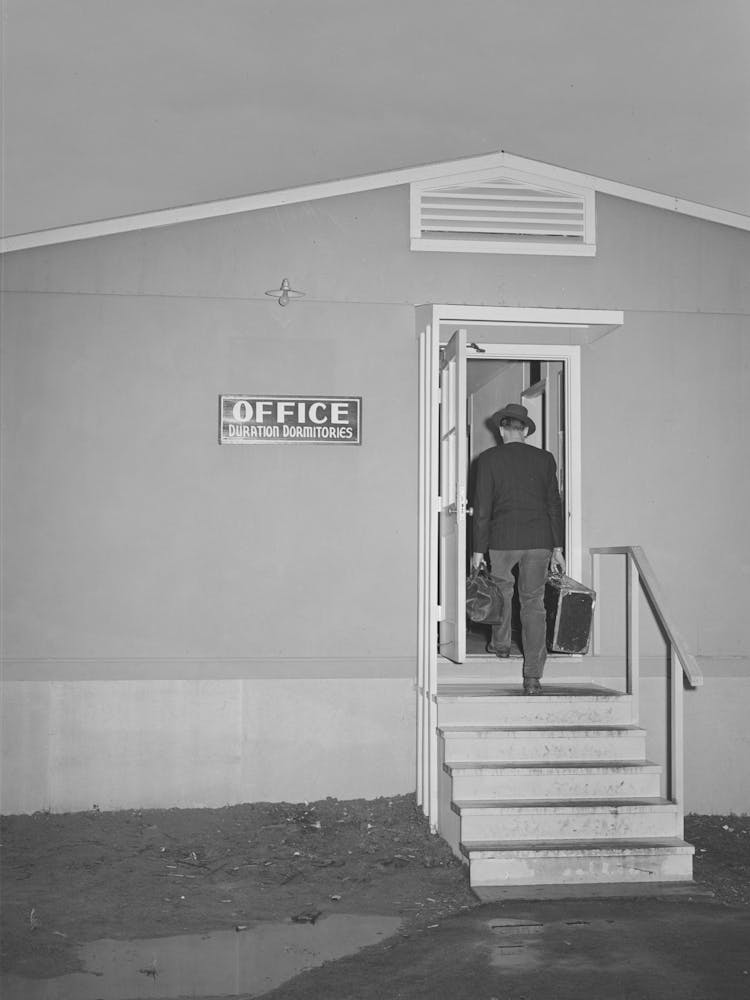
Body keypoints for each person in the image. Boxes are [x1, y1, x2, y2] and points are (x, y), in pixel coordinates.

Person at [471, 402, 565, 695]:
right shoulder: (545, 459)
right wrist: (558, 547)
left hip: (502, 540)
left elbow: (483, 509)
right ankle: (533, 676)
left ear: (501, 430)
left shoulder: (487, 460)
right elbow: (554, 505)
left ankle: (500, 646)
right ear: (524, 430)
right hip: (539, 541)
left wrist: (477, 550)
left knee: (501, 592)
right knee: (534, 604)